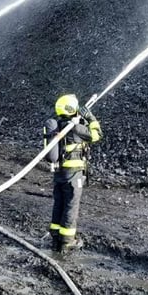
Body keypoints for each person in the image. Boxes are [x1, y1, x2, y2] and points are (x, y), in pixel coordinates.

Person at [42, 94, 102, 253]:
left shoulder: (58, 126)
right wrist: (91, 118)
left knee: (59, 204)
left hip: (60, 174)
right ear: (71, 108)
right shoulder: (74, 128)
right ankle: (67, 241)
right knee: (71, 206)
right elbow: (96, 135)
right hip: (73, 175)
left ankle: (56, 237)